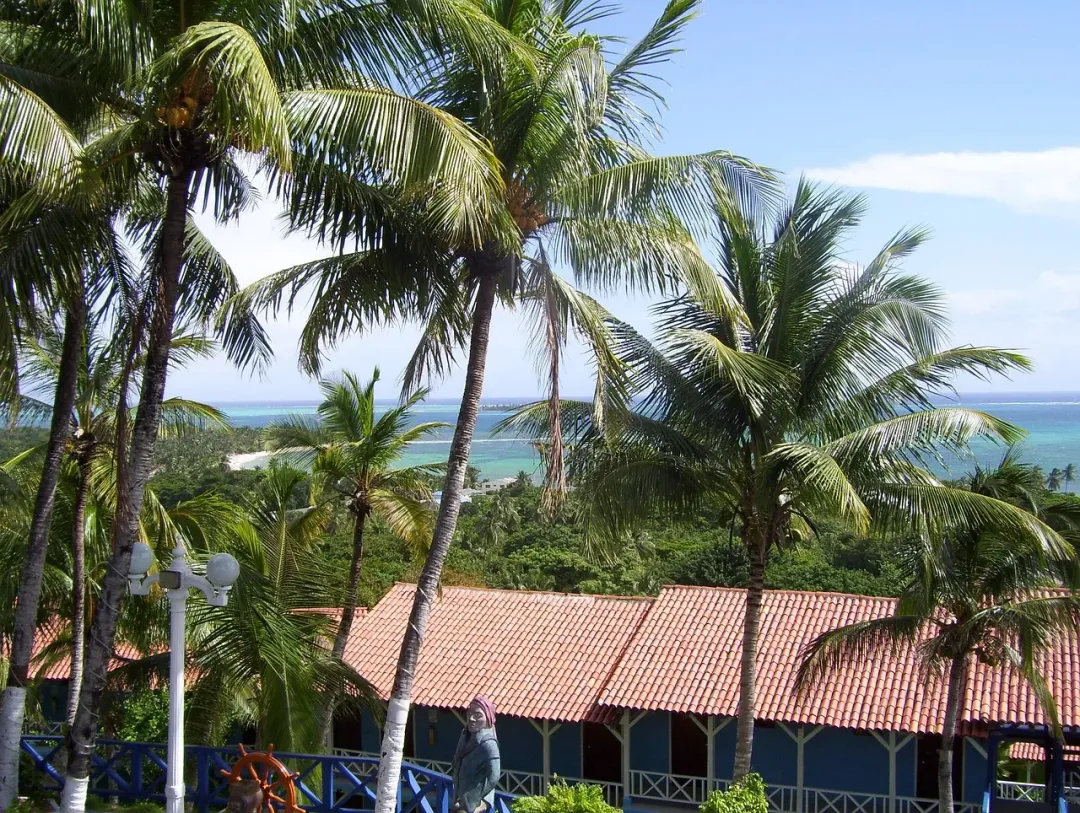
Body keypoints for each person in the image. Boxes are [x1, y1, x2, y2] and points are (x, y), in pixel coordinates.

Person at [451, 696, 501, 813]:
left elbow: (494, 776)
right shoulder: (465, 735)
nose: (472, 719)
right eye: (469, 714)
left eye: (478, 715)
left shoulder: (489, 744)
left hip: (475, 799)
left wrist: (473, 799)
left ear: (488, 718)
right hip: (460, 793)